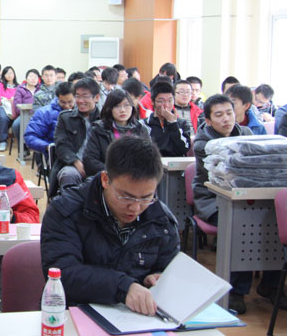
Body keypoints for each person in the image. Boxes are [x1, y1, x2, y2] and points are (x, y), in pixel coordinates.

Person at [41, 136, 179, 313]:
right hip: (74, 314)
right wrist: (123, 287)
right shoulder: (66, 211)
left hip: (137, 318)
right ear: (105, 179)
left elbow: (169, 270)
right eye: (126, 197)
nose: (135, 208)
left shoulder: (161, 220)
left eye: (146, 198)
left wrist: (157, 280)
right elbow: (63, 275)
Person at [191, 95, 284, 313]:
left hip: (247, 196)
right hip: (213, 199)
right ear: (208, 120)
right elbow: (226, 175)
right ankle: (236, 291)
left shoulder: (247, 134)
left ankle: (272, 285)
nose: (226, 119)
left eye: (229, 113)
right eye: (219, 115)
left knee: (275, 225)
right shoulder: (204, 143)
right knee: (243, 227)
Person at [49, 78, 100, 197]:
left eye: (85, 96)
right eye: (77, 96)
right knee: (68, 175)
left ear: (96, 97)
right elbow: (62, 146)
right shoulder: (66, 118)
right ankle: (70, 207)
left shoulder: (105, 120)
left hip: (98, 166)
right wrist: (76, 162)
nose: (80, 100)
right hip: (73, 164)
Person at [83, 89, 149, 179]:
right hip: (107, 178)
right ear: (109, 109)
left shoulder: (140, 130)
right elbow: (90, 161)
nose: (123, 110)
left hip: (135, 178)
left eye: (126, 105)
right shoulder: (98, 130)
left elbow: (148, 158)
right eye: (117, 106)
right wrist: (115, 173)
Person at [24, 81, 76, 156]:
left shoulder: (82, 111)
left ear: (75, 97)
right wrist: (47, 147)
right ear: (57, 98)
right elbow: (30, 137)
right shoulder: (44, 113)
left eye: (70, 102)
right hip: (54, 154)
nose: (67, 106)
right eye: (63, 102)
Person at [142, 81, 191, 157]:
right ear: (152, 102)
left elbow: (184, 148)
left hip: (176, 163)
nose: (166, 105)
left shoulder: (182, 124)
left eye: (170, 100)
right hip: (153, 162)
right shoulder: (143, 124)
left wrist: (173, 123)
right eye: (161, 101)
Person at [11, 68, 40, 144]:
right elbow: (17, 105)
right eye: (31, 76)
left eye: (35, 77)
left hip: (38, 114)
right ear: (26, 78)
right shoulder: (20, 89)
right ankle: (23, 145)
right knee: (16, 125)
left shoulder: (40, 89)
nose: (33, 79)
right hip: (24, 114)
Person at [0, 66, 18, 151]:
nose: (9, 75)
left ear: (14, 74)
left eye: (11, 73)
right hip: (1, 106)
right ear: (3, 75)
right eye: (7, 73)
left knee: (15, 119)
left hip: (14, 108)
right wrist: (8, 99)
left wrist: (13, 100)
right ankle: (3, 141)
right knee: (4, 118)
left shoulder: (18, 87)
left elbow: (19, 99)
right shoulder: (0, 85)